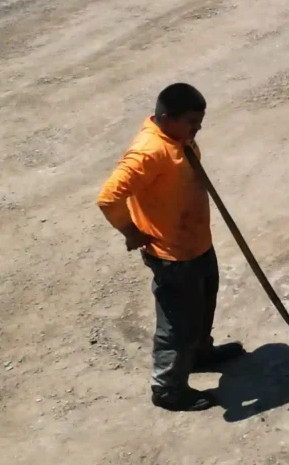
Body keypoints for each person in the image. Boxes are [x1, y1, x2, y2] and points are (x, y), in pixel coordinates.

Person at [97, 82, 243, 412]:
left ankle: (198, 354)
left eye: (200, 121)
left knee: (203, 304)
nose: (198, 128)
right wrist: (131, 232)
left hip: (196, 243)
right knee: (178, 324)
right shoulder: (149, 152)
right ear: (166, 118)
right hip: (172, 256)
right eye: (192, 122)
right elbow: (108, 198)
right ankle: (167, 389)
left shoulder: (177, 137)